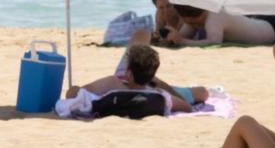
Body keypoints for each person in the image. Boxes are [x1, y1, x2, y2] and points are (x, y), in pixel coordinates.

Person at [64, 37, 199, 114]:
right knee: (202, 92)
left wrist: (74, 88)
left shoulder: (113, 84)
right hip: (152, 88)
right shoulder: (160, 96)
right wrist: (160, 84)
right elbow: (187, 107)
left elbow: (71, 94)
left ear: (128, 73)